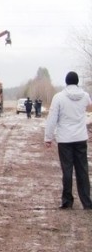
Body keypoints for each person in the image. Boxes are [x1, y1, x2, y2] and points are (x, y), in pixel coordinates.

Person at [44, 71, 92, 209]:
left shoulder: (59, 97)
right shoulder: (85, 96)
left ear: (66, 82)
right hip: (81, 138)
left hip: (65, 139)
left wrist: (48, 137)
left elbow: (52, 118)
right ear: (77, 82)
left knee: (67, 170)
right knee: (82, 170)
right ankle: (87, 202)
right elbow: (89, 104)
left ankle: (67, 201)